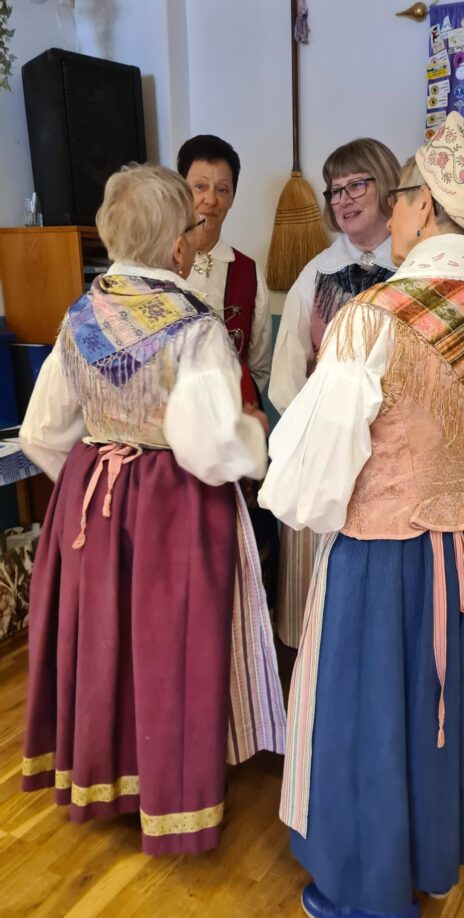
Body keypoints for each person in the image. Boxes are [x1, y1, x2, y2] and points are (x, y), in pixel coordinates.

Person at [259, 112, 464, 918]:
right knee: (438, 712)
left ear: (422, 206)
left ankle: (368, 889)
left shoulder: (375, 317)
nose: (394, 209)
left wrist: (309, 507)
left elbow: (311, 472)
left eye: (402, 194)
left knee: (370, 715)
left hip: (381, 556)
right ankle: (429, 858)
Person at [20, 164, 285, 856]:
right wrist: (255, 446)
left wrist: (89, 479)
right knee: (171, 644)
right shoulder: (194, 327)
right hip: (174, 504)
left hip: (91, 501)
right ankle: (171, 788)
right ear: (178, 247)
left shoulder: (79, 316)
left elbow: (40, 432)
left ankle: (105, 777)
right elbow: (211, 447)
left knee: (106, 639)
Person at [268, 138, 401, 648]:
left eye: (355, 185)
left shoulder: (414, 269)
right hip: (327, 451)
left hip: (393, 454)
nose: (343, 199)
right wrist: (317, 438)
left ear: (386, 185)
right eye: (335, 190)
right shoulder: (316, 273)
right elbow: (287, 373)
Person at [177, 133, 278, 607]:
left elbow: (258, 360)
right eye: (199, 186)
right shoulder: (159, 265)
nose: (210, 200)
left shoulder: (246, 270)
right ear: (181, 188)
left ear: (233, 197)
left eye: (222, 189)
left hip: (232, 431)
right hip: (172, 438)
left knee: (233, 557)